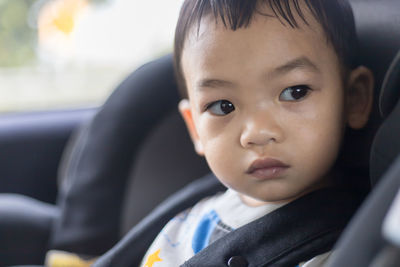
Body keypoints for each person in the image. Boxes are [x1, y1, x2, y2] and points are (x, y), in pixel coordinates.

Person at [138, 0, 374, 266]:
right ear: (195, 128)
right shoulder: (181, 225)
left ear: (353, 98)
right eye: (222, 106)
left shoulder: (353, 246)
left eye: (294, 92)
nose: (257, 133)